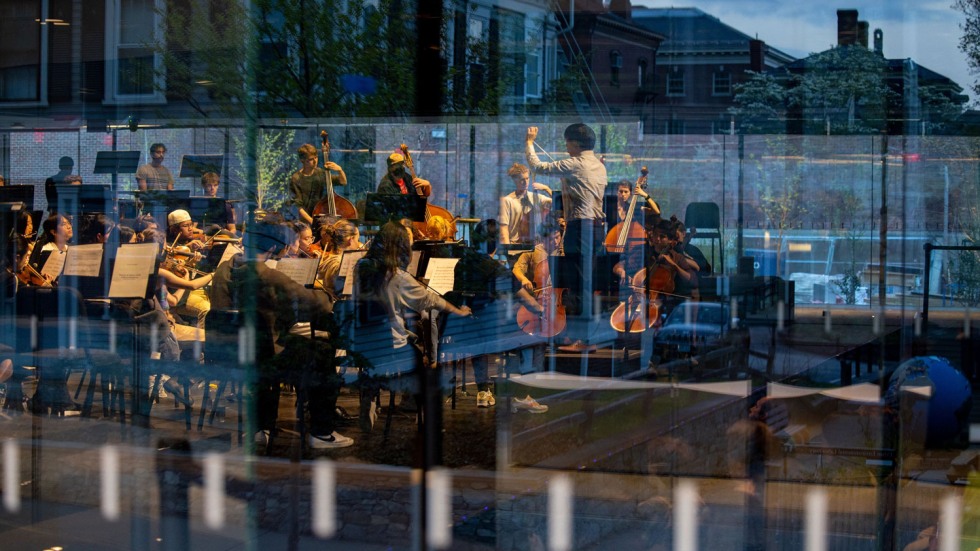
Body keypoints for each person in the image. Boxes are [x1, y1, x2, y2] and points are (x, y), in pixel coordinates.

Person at [210, 221, 353, 449]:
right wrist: (325, 295)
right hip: (264, 357)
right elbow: (317, 305)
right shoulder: (267, 275)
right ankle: (322, 432)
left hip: (228, 352)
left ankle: (261, 427)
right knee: (323, 353)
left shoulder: (223, 270)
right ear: (273, 250)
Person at [354, 221, 472, 430]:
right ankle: (425, 417)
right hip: (390, 344)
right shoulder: (397, 276)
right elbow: (429, 300)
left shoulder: (361, 267)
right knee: (424, 362)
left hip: (362, 342)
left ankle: (372, 388)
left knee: (407, 339)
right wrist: (458, 311)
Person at [525, 124, 607, 317]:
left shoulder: (574, 164)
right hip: (595, 229)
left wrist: (529, 142)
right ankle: (584, 328)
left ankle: (579, 333)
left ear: (576, 143)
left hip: (580, 228)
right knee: (586, 279)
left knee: (576, 280)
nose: (566, 147)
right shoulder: (599, 166)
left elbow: (537, 166)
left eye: (567, 143)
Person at [289, 143, 348, 225]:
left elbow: (343, 182)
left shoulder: (321, 173)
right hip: (306, 221)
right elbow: (298, 206)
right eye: (310, 159)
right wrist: (312, 222)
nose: (315, 161)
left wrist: (340, 170)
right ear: (302, 160)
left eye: (316, 157)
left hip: (322, 217)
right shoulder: (296, 178)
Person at [498, 163, 552, 245]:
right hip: (515, 245)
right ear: (515, 180)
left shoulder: (535, 197)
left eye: (527, 178)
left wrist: (546, 189)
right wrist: (507, 250)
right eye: (522, 180)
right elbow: (503, 229)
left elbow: (558, 202)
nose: (526, 182)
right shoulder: (507, 201)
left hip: (534, 246)